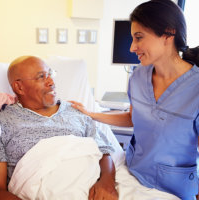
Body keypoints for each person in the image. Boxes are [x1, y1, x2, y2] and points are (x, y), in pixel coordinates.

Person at [71, 0, 199, 199]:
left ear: (168, 33)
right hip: (132, 172)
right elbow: (132, 117)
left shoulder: (195, 88)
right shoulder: (138, 77)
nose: (132, 47)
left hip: (174, 187)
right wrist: (91, 114)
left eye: (139, 38)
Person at [0, 56, 118, 200]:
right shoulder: (4, 121)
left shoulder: (76, 112)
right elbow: (0, 189)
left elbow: (104, 151)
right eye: (41, 77)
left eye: (50, 74)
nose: (51, 82)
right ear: (19, 87)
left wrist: (107, 182)